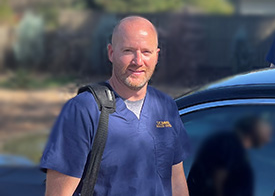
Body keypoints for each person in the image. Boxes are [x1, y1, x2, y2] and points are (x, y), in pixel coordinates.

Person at [40, 16, 190, 196]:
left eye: (146, 52)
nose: (138, 61)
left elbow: (177, 183)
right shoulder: (84, 110)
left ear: (157, 56)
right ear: (111, 53)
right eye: (128, 51)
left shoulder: (166, 107)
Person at [187, 116, 273, 196]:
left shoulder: (242, 150)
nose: (269, 139)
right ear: (254, 128)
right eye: (267, 133)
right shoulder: (229, 145)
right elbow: (219, 177)